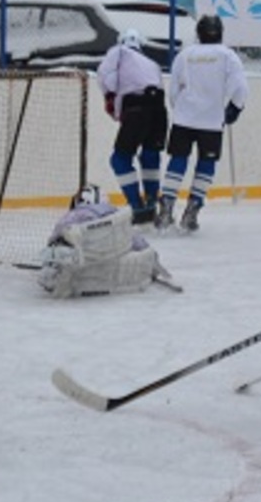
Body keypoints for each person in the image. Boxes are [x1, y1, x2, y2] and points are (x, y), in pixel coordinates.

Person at [156, 15, 248, 233]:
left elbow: (174, 90)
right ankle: (193, 209)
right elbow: (240, 87)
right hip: (212, 121)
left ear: (199, 33)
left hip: (184, 119)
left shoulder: (185, 54)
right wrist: (235, 108)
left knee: (177, 160)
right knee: (206, 165)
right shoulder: (228, 56)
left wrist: (180, 108)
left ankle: (167, 205)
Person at [36, 185, 171, 298]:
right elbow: (135, 239)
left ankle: (55, 269)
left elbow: (54, 238)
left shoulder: (71, 216)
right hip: (107, 256)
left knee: (61, 247)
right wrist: (153, 258)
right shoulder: (115, 215)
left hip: (77, 256)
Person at [97, 28, 166, 225]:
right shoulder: (151, 63)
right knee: (150, 156)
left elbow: (105, 76)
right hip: (159, 109)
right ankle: (153, 204)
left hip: (136, 109)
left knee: (119, 159)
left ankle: (136, 206)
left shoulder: (118, 52)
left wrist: (109, 95)